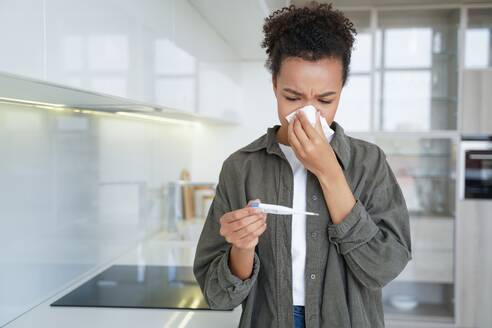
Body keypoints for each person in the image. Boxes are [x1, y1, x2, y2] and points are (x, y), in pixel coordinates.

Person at [193, 2, 412, 327]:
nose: (308, 113)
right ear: (274, 87)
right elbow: (219, 296)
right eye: (292, 97)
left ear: (340, 92)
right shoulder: (241, 167)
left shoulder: (369, 162)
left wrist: (328, 171)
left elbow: (384, 268)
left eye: (325, 100)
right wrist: (242, 247)